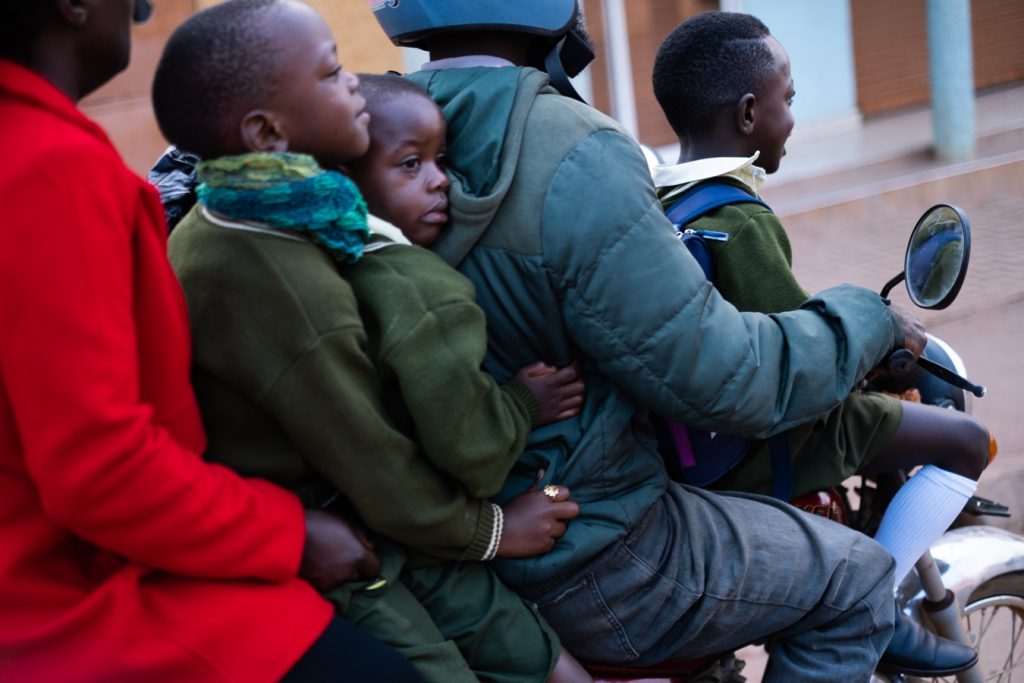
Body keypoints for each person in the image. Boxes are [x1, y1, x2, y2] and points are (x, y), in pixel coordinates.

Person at [369, 1, 977, 680]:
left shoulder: (374, 128)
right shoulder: (574, 148)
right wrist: (866, 319)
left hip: (463, 546)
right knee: (855, 578)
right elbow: (727, 379)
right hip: (598, 548)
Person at [154, 2, 590, 682]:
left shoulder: (238, 214)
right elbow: (379, 466)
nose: (354, 81)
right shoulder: (284, 281)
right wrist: (496, 529)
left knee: (540, 657)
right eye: (332, 74)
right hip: (344, 545)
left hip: (368, 520)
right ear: (268, 131)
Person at [0, 1, 423, 682]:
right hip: (75, 601)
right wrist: (289, 533)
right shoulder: (49, 168)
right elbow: (102, 471)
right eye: (330, 71)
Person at [650, 10, 989, 593]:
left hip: (698, 434)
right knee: (966, 443)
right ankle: (873, 596)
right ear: (750, 113)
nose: (793, 118)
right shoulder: (737, 219)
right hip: (759, 445)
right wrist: (870, 353)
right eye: (790, 99)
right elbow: (801, 362)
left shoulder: (668, 206)